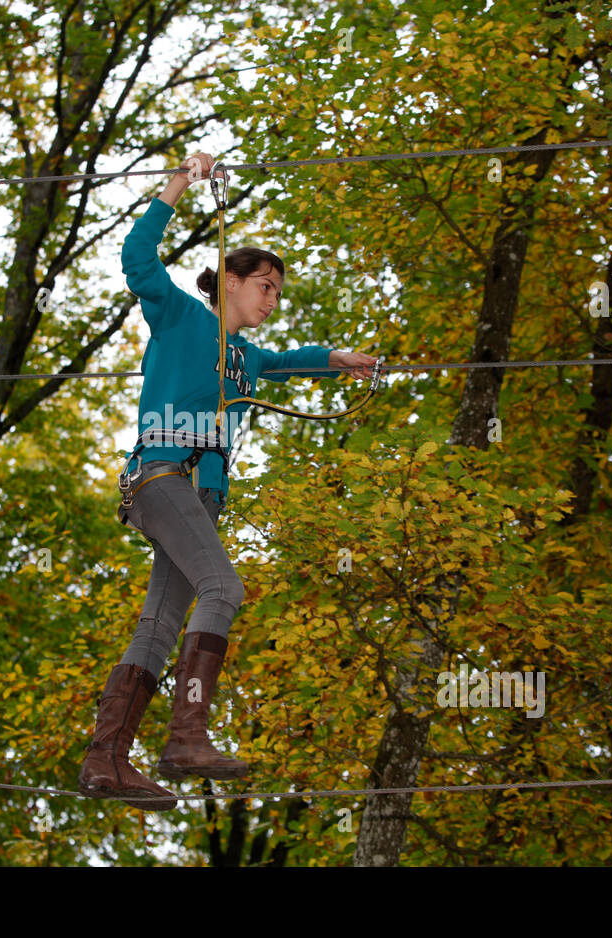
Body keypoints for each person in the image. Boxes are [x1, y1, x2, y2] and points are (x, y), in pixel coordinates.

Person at [77, 152, 379, 810]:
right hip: (162, 478)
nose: (272, 298)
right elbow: (136, 258)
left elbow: (287, 362)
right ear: (232, 281)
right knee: (223, 587)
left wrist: (336, 360)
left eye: (277, 289)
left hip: (198, 501)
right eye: (265, 284)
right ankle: (187, 734)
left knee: (157, 627)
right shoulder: (182, 317)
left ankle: (107, 758)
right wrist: (178, 185)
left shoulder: (246, 358)